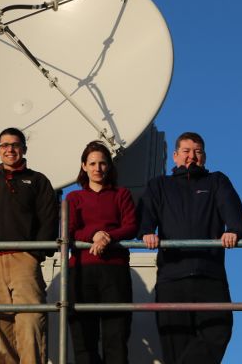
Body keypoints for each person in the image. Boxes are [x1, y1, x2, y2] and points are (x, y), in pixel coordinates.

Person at [139, 132, 242, 364]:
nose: (192, 157)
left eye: (197, 152)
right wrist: (146, 232)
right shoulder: (159, 186)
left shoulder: (216, 182)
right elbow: (144, 216)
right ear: (176, 156)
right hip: (172, 278)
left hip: (209, 275)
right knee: (175, 346)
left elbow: (234, 212)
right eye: (187, 151)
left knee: (219, 331)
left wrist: (235, 230)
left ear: (204, 157)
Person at [0, 127, 58, 364]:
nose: (10, 149)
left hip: (23, 259)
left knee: (30, 321)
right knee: (3, 325)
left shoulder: (38, 181)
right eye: (5, 145)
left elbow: (49, 217)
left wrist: (34, 254)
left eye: (15, 144)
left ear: (24, 148)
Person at [66, 141, 137, 364]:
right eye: (93, 163)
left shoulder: (121, 194)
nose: (98, 168)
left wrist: (107, 236)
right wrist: (94, 234)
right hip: (81, 271)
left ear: (109, 167)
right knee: (83, 338)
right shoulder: (74, 198)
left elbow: (131, 225)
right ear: (84, 166)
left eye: (103, 163)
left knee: (116, 336)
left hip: (114, 270)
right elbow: (69, 230)